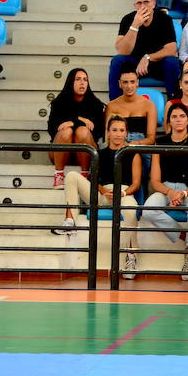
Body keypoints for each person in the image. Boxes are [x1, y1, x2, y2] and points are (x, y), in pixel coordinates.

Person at [59, 115, 143, 276]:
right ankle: (71, 221)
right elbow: (94, 179)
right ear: (108, 133)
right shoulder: (99, 153)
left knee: (132, 211)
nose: (118, 134)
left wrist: (122, 192)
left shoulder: (133, 154)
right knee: (71, 176)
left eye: (121, 130)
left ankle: (131, 256)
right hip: (102, 194)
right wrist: (104, 191)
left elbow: (136, 183)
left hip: (124, 193)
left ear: (126, 133)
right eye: (114, 130)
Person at [110, 0, 180, 100]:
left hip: (158, 64)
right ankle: (115, 105)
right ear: (135, 6)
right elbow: (122, 51)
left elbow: (171, 49)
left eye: (146, 2)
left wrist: (148, 57)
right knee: (117, 61)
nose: (142, 6)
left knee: (172, 62)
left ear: (153, 4)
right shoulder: (127, 19)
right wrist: (135, 26)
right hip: (134, 65)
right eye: (139, 3)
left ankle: (174, 103)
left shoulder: (164, 19)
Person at [47, 68, 106, 187]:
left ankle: (85, 174)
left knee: (83, 131)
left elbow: (98, 131)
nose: (82, 83)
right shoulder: (59, 103)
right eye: (78, 79)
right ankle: (58, 175)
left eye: (85, 80)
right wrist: (79, 120)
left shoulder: (95, 104)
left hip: (87, 152)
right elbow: (52, 129)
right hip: (60, 153)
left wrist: (73, 122)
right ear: (70, 82)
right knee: (66, 131)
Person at [105, 70, 158, 148]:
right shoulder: (111, 106)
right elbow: (107, 135)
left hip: (141, 147)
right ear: (120, 84)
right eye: (125, 82)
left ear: (137, 83)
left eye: (132, 82)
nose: (129, 86)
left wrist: (133, 144)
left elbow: (151, 139)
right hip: (117, 145)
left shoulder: (149, 105)